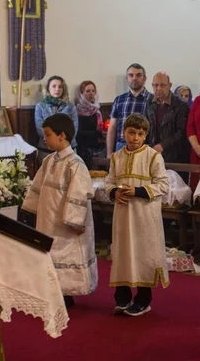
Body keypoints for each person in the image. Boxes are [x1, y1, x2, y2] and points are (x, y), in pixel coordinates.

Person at [22, 113, 98, 308]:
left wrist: (75, 220)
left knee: (65, 253)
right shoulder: (48, 161)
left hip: (65, 222)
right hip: (48, 218)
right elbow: (37, 188)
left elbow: (79, 194)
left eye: (48, 135)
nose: (44, 139)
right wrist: (32, 208)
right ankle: (52, 290)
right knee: (49, 252)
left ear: (62, 135)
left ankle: (67, 294)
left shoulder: (76, 164)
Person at [105, 113, 170, 317]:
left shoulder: (153, 156)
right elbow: (109, 182)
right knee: (123, 253)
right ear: (124, 132)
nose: (135, 138)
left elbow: (163, 185)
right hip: (123, 214)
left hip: (144, 216)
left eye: (140, 134)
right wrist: (114, 192)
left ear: (145, 136)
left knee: (143, 254)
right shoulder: (117, 157)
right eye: (131, 133)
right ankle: (122, 297)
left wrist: (137, 191)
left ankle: (143, 300)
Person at [106, 63, 154, 156]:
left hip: (143, 146)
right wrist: (109, 153)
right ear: (127, 78)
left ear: (144, 79)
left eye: (138, 75)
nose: (134, 78)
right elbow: (112, 128)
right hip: (121, 145)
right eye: (131, 75)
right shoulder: (119, 100)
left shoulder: (152, 99)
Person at [146, 72, 190, 164]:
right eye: (156, 85)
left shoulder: (181, 105)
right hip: (153, 155)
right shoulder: (149, 102)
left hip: (176, 157)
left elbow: (182, 132)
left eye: (162, 85)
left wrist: (163, 145)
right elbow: (146, 127)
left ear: (170, 85)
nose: (158, 88)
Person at [35, 76, 79, 160]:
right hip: (46, 148)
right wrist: (54, 141)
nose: (57, 89)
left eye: (60, 86)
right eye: (54, 86)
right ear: (48, 88)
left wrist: (61, 142)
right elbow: (40, 129)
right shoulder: (41, 106)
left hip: (68, 148)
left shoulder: (70, 105)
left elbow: (74, 127)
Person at [75, 80, 106, 169]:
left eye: (93, 91)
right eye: (88, 91)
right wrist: (99, 133)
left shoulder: (96, 109)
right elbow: (79, 132)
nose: (91, 93)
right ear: (81, 93)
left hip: (98, 147)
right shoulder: (78, 110)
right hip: (83, 148)